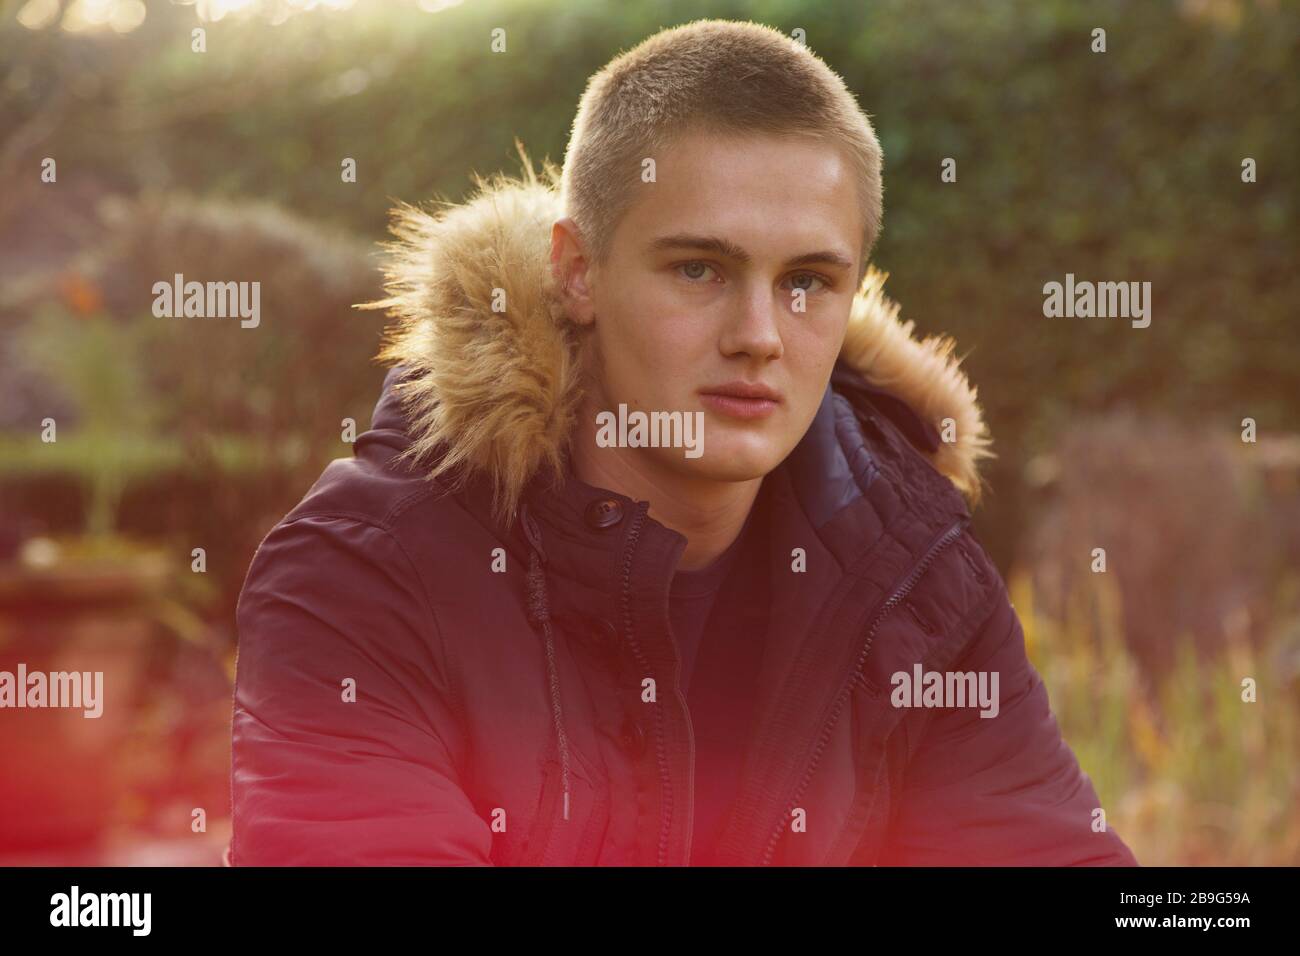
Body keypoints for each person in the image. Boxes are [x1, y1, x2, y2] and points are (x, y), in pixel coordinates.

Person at [230, 19, 1138, 866]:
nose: (759, 335)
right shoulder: (362, 575)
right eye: (700, 268)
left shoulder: (918, 577)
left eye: (808, 282)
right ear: (577, 271)